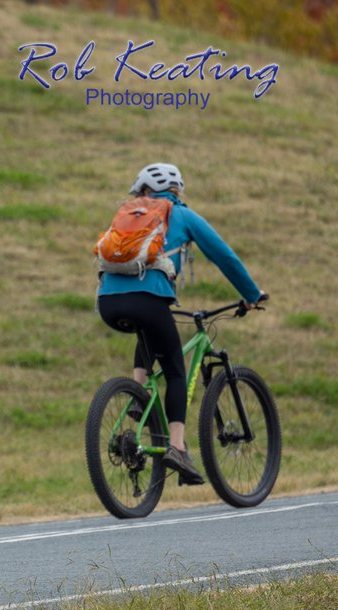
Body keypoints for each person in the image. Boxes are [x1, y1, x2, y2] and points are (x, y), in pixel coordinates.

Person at [96, 163, 264, 484]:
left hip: (107, 302)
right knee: (174, 369)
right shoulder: (182, 214)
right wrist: (251, 294)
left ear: (143, 190)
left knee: (147, 333)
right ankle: (176, 447)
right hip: (149, 299)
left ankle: (137, 395)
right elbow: (224, 256)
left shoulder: (128, 213)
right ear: (177, 190)